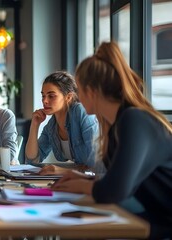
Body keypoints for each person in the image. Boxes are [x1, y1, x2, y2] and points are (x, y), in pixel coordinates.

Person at [51, 42, 172, 239]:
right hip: (158, 217)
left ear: (91, 91)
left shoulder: (134, 119)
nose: (78, 99)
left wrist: (84, 186)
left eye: (80, 90)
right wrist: (88, 179)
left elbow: (114, 192)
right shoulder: (118, 124)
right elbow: (126, 181)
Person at [25, 71, 98, 174]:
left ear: (68, 97)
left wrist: (63, 171)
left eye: (51, 96)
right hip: (82, 178)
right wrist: (34, 125)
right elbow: (31, 161)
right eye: (43, 96)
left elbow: (98, 164)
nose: (45, 101)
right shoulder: (52, 126)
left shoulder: (81, 112)